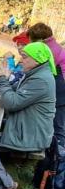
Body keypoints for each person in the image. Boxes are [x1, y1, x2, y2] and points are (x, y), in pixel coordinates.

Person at [0, 43, 56, 189]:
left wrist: (2, 80)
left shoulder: (40, 80)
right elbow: (14, 92)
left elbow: (12, 103)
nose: (21, 61)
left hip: (32, 135)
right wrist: (6, 79)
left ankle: (5, 183)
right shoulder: (36, 74)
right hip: (29, 127)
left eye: (25, 57)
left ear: (37, 59)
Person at [27, 22, 65, 150]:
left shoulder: (48, 49)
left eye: (31, 39)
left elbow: (38, 67)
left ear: (38, 38)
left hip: (60, 85)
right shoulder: (51, 44)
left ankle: (58, 155)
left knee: (58, 122)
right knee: (57, 120)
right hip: (59, 83)